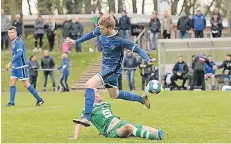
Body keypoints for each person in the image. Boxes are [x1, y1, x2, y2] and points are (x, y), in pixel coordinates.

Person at [66, 14, 155, 127]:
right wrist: (76, 42)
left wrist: (148, 59)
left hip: (113, 70)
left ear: (110, 28)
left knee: (89, 84)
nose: (100, 30)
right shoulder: (101, 29)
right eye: (100, 28)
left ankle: (86, 117)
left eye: (102, 29)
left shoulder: (120, 39)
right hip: (105, 68)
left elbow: (137, 49)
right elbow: (91, 34)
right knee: (114, 95)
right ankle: (141, 99)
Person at [70, 88, 163, 140]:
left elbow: (105, 118)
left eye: (98, 91)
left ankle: (157, 133)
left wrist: (100, 129)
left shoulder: (106, 104)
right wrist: (75, 137)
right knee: (129, 128)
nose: (99, 93)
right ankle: (152, 137)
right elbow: (79, 124)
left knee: (138, 126)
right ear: (91, 97)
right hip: (111, 131)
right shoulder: (88, 109)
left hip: (120, 122)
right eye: (97, 92)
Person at [5, 26, 44, 106]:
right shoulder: (13, 42)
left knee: (25, 84)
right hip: (15, 66)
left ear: (15, 33)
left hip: (21, 66)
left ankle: (39, 100)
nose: (11, 34)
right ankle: (11, 103)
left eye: (12, 32)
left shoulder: (19, 41)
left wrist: (10, 63)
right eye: (9, 33)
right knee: (12, 82)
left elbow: (19, 54)